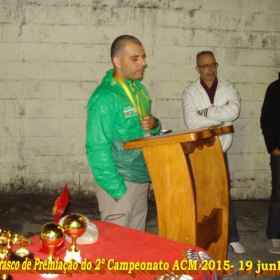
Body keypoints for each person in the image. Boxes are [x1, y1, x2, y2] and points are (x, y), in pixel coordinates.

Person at [85, 35, 161, 231]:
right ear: (117, 61)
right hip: (119, 180)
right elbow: (96, 148)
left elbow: (144, 130)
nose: (143, 63)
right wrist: (117, 190)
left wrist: (154, 124)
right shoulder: (105, 97)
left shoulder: (139, 90)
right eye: (135, 58)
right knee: (116, 248)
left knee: (136, 241)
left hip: (140, 176)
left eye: (142, 57)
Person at [182, 50, 246, 254]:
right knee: (201, 195)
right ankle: (201, 240)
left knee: (222, 193)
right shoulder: (190, 91)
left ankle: (231, 237)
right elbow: (191, 120)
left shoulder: (228, 88)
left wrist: (207, 112)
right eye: (205, 66)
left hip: (220, 148)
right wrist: (221, 115)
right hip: (199, 149)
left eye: (213, 64)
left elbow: (233, 112)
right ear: (197, 69)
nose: (210, 69)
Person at [260, 72, 280, 254]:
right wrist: (273, 147)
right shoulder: (275, 88)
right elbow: (266, 120)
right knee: (279, 192)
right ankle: (274, 236)